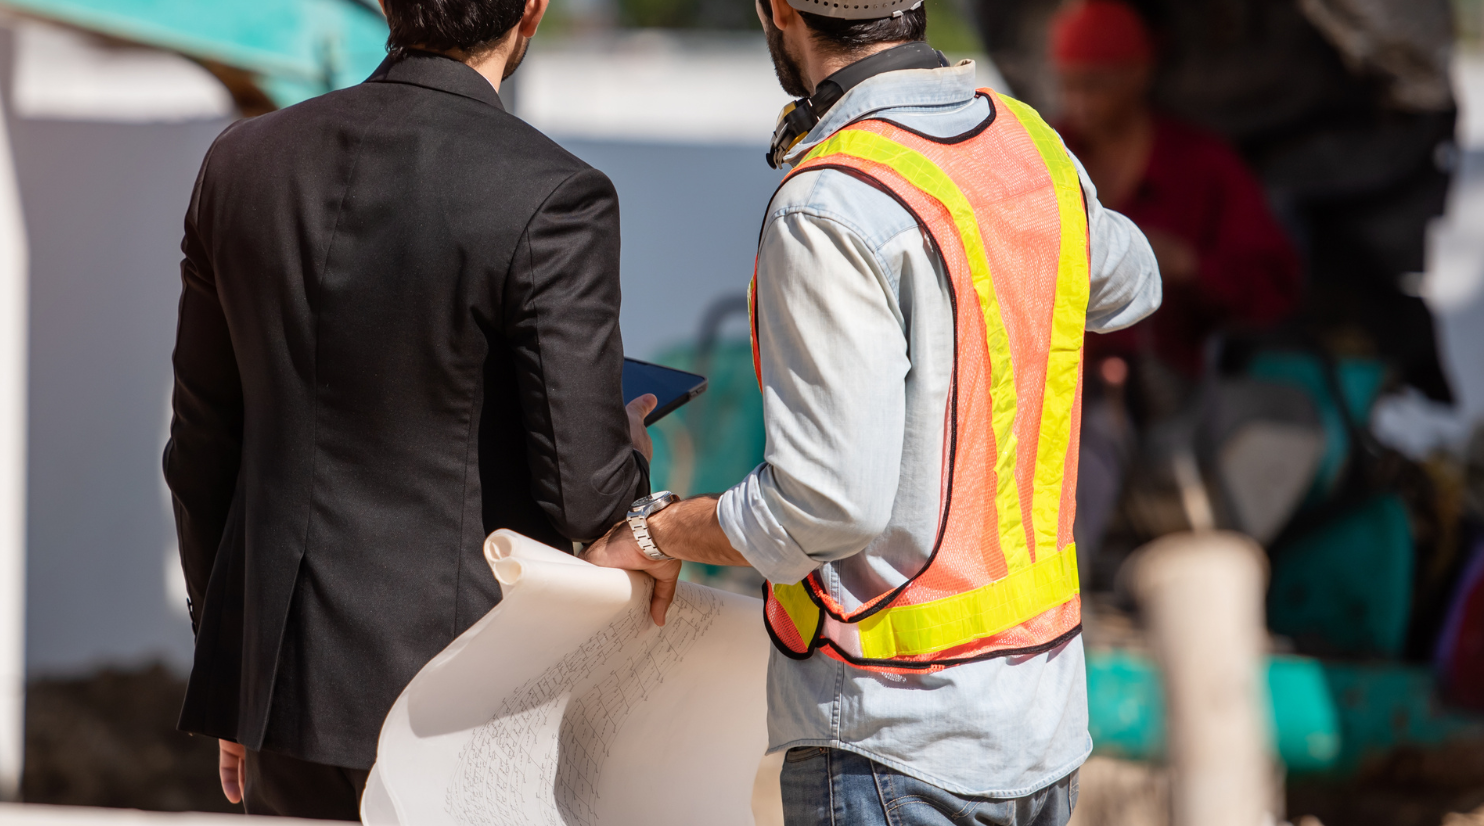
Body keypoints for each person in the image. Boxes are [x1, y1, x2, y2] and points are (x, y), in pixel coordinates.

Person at [582, 0, 1161, 822]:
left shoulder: (831, 203)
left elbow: (826, 506)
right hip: (1041, 732)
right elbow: (1134, 281)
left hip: (899, 748)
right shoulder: (1027, 144)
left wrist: (658, 530)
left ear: (779, 10)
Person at [162, 0, 653, 818]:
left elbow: (201, 446)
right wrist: (628, 442)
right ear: (530, 11)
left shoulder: (241, 162)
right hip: (460, 698)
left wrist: (237, 668)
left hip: (285, 692)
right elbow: (589, 496)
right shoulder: (554, 193)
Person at [1046, 0, 1302, 568]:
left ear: (1139, 74)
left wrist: (1191, 267)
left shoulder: (1202, 166)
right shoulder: (1049, 157)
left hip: (1172, 396)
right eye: (1069, 86)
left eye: (1095, 85)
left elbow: (1274, 283)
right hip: (1058, 386)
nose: (1078, 104)